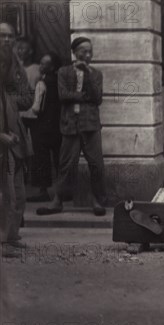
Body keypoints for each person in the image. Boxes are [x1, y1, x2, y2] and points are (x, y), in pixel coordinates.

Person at [37, 37, 106, 216]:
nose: (88, 54)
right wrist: (83, 96)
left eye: (90, 51)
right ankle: (57, 201)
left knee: (97, 165)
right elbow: (63, 95)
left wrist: (88, 76)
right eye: (83, 51)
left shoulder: (96, 74)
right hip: (70, 125)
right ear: (74, 53)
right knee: (66, 165)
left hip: (91, 125)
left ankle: (97, 201)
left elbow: (97, 98)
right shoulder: (63, 72)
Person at [0, 22, 34, 257]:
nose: (6, 40)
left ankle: (11, 237)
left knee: (18, 192)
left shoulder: (17, 67)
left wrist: (11, 99)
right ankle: (5, 241)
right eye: (1, 36)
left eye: (10, 36)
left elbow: (28, 99)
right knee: (8, 192)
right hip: (3, 138)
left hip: (16, 136)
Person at [26, 53, 63, 202]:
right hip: (58, 126)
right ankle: (62, 192)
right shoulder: (61, 81)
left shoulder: (42, 83)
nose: (40, 66)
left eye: (43, 64)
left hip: (42, 127)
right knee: (59, 159)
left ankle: (44, 191)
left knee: (42, 160)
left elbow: (36, 108)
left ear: (51, 67)